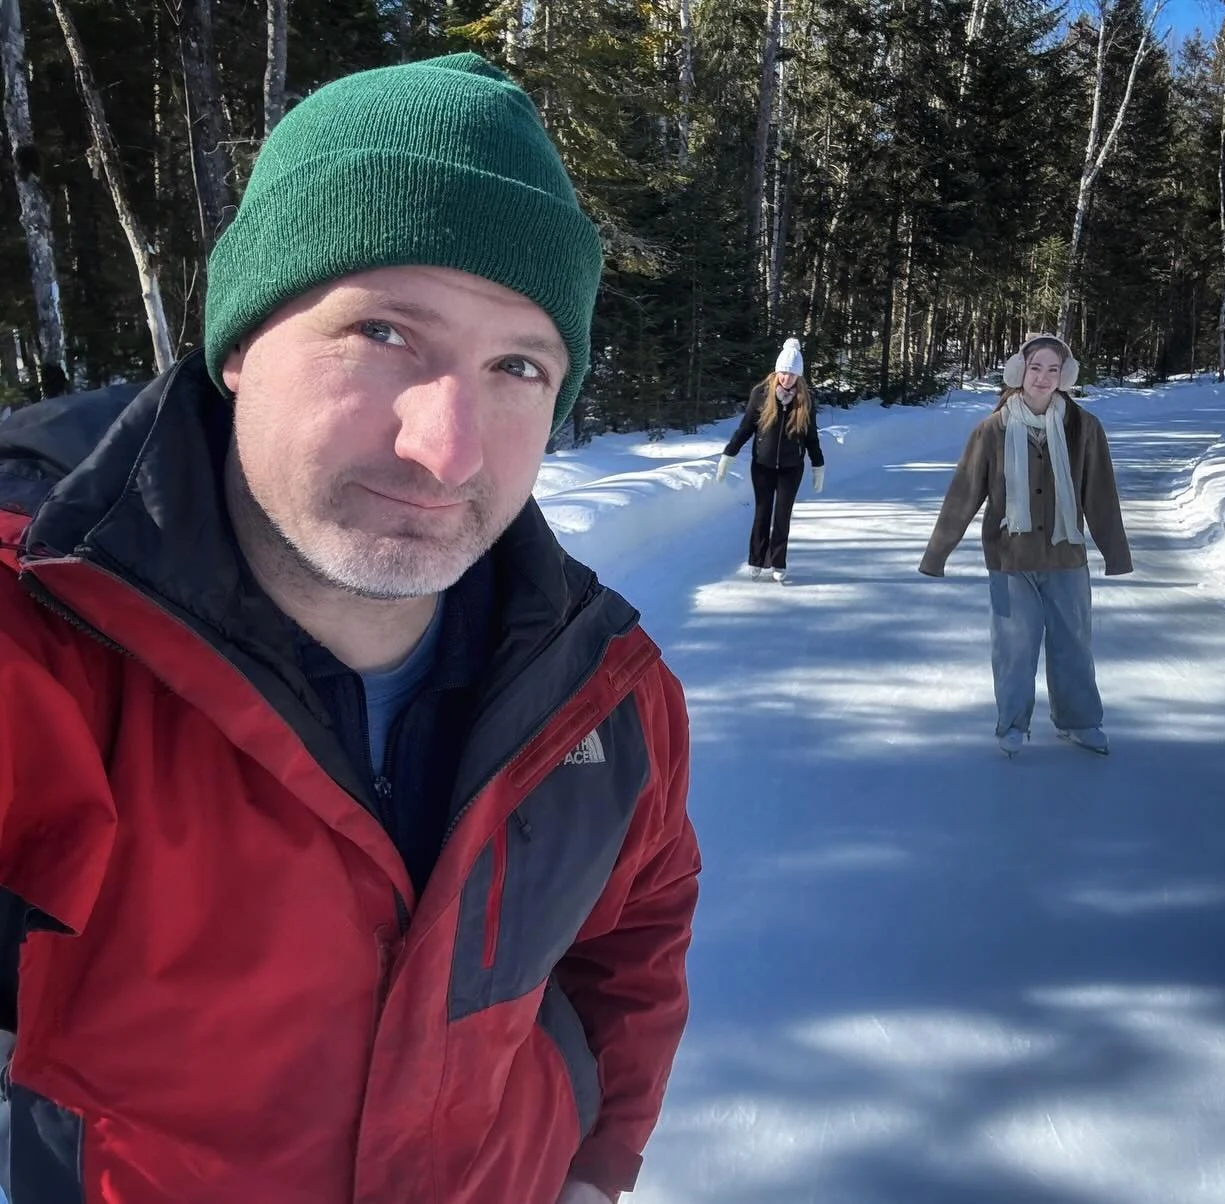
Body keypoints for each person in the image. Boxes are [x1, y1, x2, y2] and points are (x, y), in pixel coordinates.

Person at [0, 54, 700, 1204]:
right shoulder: (39, 651)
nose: (449, 446)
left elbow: (636, 935)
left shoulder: (609, 699)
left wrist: (593, 1165)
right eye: (384, 333)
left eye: (518, 364)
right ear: (238, 345)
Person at [918, 333, 1131, 757]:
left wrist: (1115, 553)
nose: (1043, 378)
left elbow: (1101, 494)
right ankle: (1012, 724)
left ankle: (1080, 721)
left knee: (1073, 642)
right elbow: (964, 493)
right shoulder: (991, 430)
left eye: (1054, 370)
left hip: (1065, 556)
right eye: (1036, 368)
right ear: (1020, 372)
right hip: (1009, 557)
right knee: (1014, 647)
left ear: (1064, 376)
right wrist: (937, 552)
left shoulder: (1083, 428)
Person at [715, 338, 825, 582]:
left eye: (792, 374)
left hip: (791, 468)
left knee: (782, 516)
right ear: (777, 371)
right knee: (762, 514)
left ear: (799, 376)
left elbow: (811, 436)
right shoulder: (761, 394)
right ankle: (756, 560)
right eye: (783, 373)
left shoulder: (804, 400)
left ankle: (778, 562)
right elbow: (745, 429)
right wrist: (728, 454)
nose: (787, 379)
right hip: (762, 467)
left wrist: (818, 465)